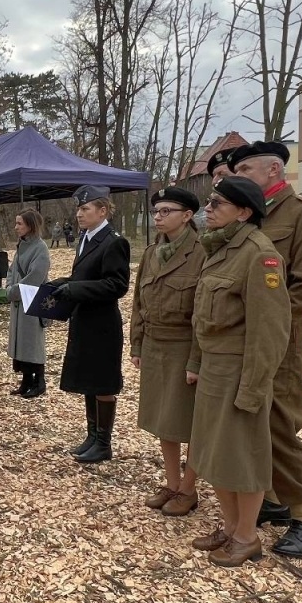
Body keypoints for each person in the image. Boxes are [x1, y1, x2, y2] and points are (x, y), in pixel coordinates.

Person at [232, 141, 302, 557]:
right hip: (245, 338)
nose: (236, 176)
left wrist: (267, 319)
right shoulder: (249, 217)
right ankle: (272, 499)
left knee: (278, 422)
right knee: (252, 419)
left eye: (244, 169)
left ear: (273, 170)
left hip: (281, 340)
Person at [186, 177, 291, 567]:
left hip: (240, 370)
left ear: (244, 212)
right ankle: (231, 527)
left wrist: (253, 387)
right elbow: (202, 316)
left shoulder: (259, 256)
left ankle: (247, 536)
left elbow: (270, 332)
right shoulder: (221, 249)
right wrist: (196, 364)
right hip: (215, 367)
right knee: (215, 453)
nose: (208, 209)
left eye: (217, 203)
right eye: (209, 202)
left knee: (244, 456)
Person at [130, 187, 204, 515]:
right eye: (156, 211)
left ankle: (188, 490)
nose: (158, 217)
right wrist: (137, 343)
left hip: (185, 346)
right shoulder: (151, 253)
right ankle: (172, 484)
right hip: (156, 345)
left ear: (187, 216)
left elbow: (205, 313)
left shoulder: (202, 253)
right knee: (163, 420)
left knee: (192, 423)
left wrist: (197, 360)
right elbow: (138, 303)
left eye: (166, 211)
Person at [50, 185, 132, 464]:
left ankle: (104, 443)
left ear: (103, 210)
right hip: (84, 318)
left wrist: (75, 290)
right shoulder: (86, 238)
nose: (79, 214)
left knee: (103, 381)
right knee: (89, 379)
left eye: (85, 209)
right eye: (78, 209)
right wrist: (62, 284)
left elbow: (116, 285)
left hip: (103, 322)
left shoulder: (113, 242)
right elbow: (83, 276)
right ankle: (92, 436)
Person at [5, 208, 51, 398]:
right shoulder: (21, 246)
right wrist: (10, 287)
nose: (16, 227)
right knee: (22, 343)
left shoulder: (40, 248)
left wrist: (13, 291)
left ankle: (39, 382)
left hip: (32, 301)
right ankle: (26, 381)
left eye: (19, 224)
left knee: (33, 344)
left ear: (30, 225)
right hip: (19, 302)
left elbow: (35, 276)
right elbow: (11, 270)